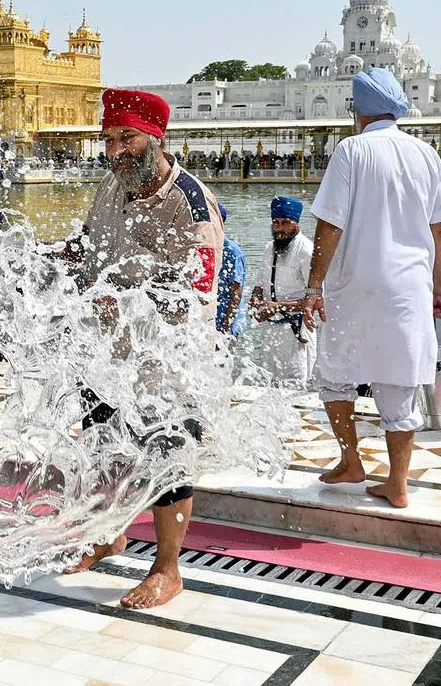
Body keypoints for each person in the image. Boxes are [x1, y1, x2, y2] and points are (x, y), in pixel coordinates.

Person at [67, 89, 224, 609]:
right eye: (109, 139)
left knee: (167, 455)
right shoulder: (110, 188)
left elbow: (198, 293)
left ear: (157, 138)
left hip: (165, 357)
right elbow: (88, 252)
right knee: (101, 442)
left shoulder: (192, 203)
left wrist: (133, 299)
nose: (114, 151)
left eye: (126, 138)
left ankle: (168, 568)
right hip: (104, 345)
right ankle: (109, 533)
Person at [303, 68, 441, 509]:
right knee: (400, 383)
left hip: (354, 284)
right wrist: (440, 288)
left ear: (359, 111)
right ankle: (398, 484)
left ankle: (351, 461)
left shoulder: (351, 150)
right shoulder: (425, 153)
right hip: (409, 288)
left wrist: (314, 286)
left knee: (335, 376)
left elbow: (329, 224)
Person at [248, 197, 316, 387]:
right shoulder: (270, 248)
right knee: (267, 384)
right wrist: (255, 299)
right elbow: (260, 284)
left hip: (296, 332)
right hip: (271, 331)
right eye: (275, 223)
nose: (279, 229)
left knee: (294, 388)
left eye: (286, 223)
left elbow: (316, 299)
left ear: (297, 223)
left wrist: (278, 306)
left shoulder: (306, 251)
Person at [215, 202, 247, 338]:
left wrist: (225, 327)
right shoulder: (207, 246)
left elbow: (236, 294)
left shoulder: (231, 252)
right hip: (212, 319)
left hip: (227, 322)